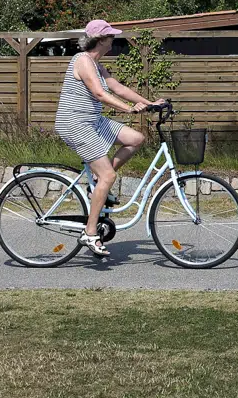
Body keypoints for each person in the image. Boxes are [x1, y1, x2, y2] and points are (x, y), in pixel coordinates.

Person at [54, 19, 166, 258]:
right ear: (101, 39)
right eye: (111, 36)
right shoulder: (83, 61)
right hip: (76, 123)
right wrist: (128, 109)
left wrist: (150, 104)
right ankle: (90, 232)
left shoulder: (97, 65)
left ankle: (97, 183)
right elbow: (99, 93)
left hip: (93, 121)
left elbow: (117, 88)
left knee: (136, 138)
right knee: (109, 175)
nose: (114, 40)